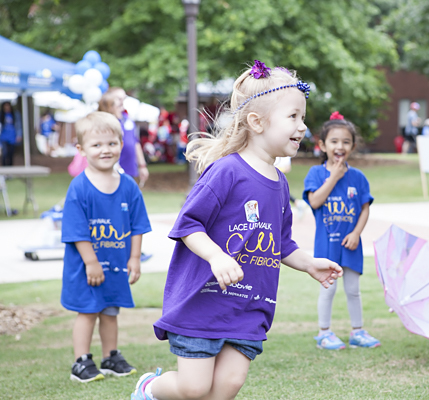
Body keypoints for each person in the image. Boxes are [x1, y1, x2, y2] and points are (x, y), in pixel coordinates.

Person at [131, 60, 342, 400]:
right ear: (257, 122)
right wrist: (215, 256)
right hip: (204, 302)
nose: (303, 127)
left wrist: (308, 263)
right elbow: (188, 224)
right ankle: (149, 388)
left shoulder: (280, 183)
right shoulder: (226, 171)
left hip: (248, 307)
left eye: (303, 118)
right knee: (194, 388)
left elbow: (281, 242)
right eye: (293, 117)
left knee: (228, 385)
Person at [61, 111, 152, 383]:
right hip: (87, 267)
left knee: (111, 310)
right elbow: (76, 232)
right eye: (96, 145)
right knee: (88, 312)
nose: (105, 150)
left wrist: (134, 258)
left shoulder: (128, 187)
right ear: (81, 150)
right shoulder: (79, 188)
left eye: (111, 144)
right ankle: (82, 362)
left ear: (121, 146)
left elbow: (138, 225)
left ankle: (111, 356)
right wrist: (91, 262)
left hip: (115, 265)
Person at [303, 111, 380, 351]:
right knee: (329, 288)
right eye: (334, 141)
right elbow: (315, 201)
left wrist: (356, 233)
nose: (340, 146)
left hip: (351, 245)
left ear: (353, 146)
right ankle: (323, 333)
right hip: (327, 245)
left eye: (346, 142)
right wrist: (333, 177)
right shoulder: (316, 174)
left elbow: (365, 208)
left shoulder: (358, 177)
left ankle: (357, 331)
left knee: (353, 290)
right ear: (322, 145)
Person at [99, 88, 149, 187]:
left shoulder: (126, 118)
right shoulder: (105, 123)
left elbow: (135, 142)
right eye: (118, 99)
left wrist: (142, 165)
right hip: (113, 168)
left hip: (130, 168)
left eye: (123, 99)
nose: (122, 102)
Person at [0, 102, 22, 166]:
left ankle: (10, 168)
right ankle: (4, 168)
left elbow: (18, 125)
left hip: (12, 137)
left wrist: (19, 135)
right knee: (5, 153)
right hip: (3, 137)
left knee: (10, 154)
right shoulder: (1, 114)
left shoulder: (15, 114)